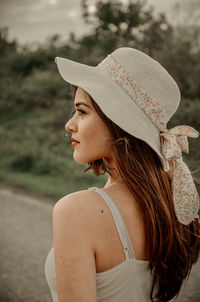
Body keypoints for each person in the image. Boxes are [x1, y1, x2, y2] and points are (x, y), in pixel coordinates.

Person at [45, 47, 200, 302]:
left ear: (117, 122)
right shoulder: (168, 202)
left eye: (82, 111)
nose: (69, 124)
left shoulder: (75, 211)